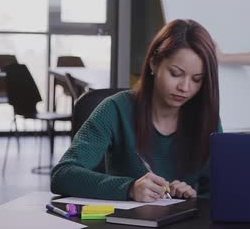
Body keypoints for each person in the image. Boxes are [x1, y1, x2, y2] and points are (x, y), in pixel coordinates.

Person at [51, 19, 221, 202]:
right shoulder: (115, 110)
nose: (185, 87)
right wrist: (130, 188)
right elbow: (62, 175)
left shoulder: (206, 118)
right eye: (176, 74)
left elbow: (220, 189)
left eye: (197, 79)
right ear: (154, 63)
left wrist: (192, 197)